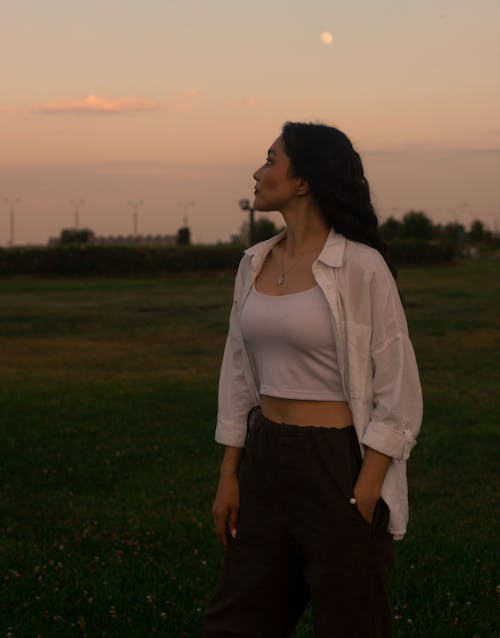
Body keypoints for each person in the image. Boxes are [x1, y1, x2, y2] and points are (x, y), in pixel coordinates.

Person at [203, 122, 423, 637]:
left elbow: (398, 388)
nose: (258, 172)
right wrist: (229, 474)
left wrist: (366, 490)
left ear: (303, 181)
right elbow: (237, 373)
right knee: (236, 620)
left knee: (350, 621)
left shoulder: (361, 267)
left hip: (337, 461)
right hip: (266, 455)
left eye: (271, 159)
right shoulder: (253, 263)